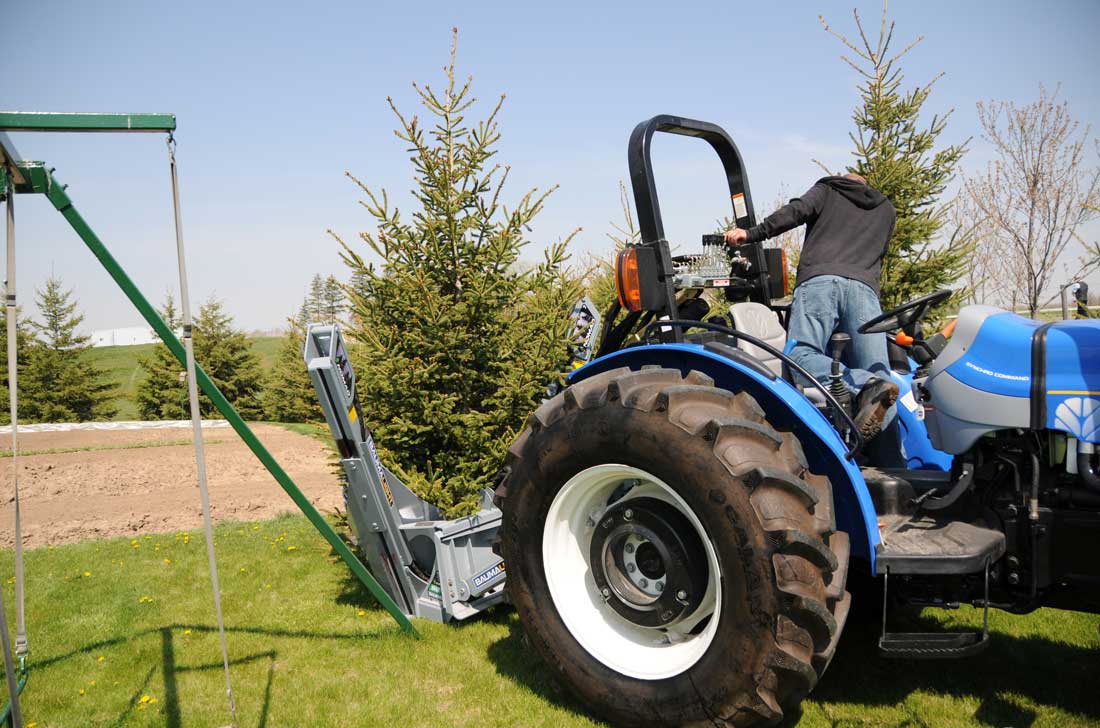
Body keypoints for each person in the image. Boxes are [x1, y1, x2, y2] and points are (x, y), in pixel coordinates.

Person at [725, 173, 898, 440]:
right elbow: (880, 253)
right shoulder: (886, 209)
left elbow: (795, 212)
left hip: (821, 282)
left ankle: (864, 384)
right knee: (881, 378)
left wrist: (750, 234)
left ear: (844, 179)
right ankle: (892, 468)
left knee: (800, 357)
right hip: (865, 290)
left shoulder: (829, 189)